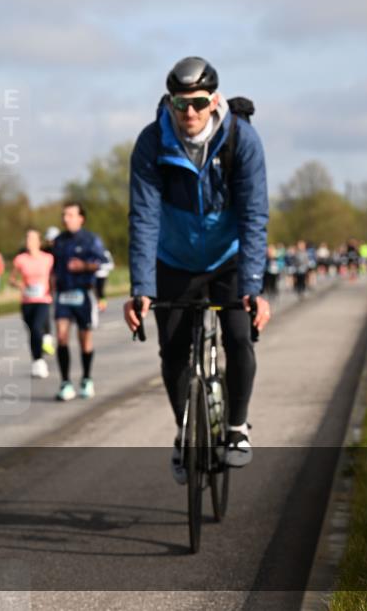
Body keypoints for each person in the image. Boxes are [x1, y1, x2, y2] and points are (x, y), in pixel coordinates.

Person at [124, 56, 271, 484]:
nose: (189, 112)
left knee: (240, 337)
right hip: (174, 261)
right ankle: (184, 431)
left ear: (215, 101)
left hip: (228, 259)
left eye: (199, 103)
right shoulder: (152, 143)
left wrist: (253, 287)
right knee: (172, 353)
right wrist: (141, 288)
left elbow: (254, 214)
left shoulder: (241, 140)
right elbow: (144, 217)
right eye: (180, 103)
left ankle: (238, 427)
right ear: (169, 103)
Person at [51, 203, 107, 401]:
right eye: (64, 215)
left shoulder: (91, 240)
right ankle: (65, 382)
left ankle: (86, 378)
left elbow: (103, 264)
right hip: (63, 295)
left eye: (70, 215)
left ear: (81, 218)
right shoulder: (58, 241)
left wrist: (84, 265)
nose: (66, 218)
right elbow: (54, 267)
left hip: (83, 294)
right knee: (62, 336)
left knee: (84, 341)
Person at [10, 229, 54, 379]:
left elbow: (54, 277)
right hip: (27, 300)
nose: (29, 241)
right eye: (27, 238)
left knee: (36, 327)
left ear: (38, 241)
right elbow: (12, 279)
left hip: (43, 299)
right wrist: (20, 285)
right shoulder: (20, 259)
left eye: (32, 238)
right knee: (32, 332)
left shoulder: (48, 258)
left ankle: (42, 356)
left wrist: (53, 290)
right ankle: (37, 361)